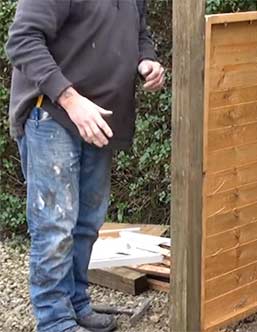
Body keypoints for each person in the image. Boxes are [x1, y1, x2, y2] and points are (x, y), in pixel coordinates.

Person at [5, 1, 165, 331]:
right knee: (55, 226)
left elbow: (139, 32)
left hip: (98, 120)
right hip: (53, 113)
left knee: (87, 223)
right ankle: (54, 320)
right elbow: (22, 40)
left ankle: (75, 303)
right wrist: (70, 99)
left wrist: (146, 59)